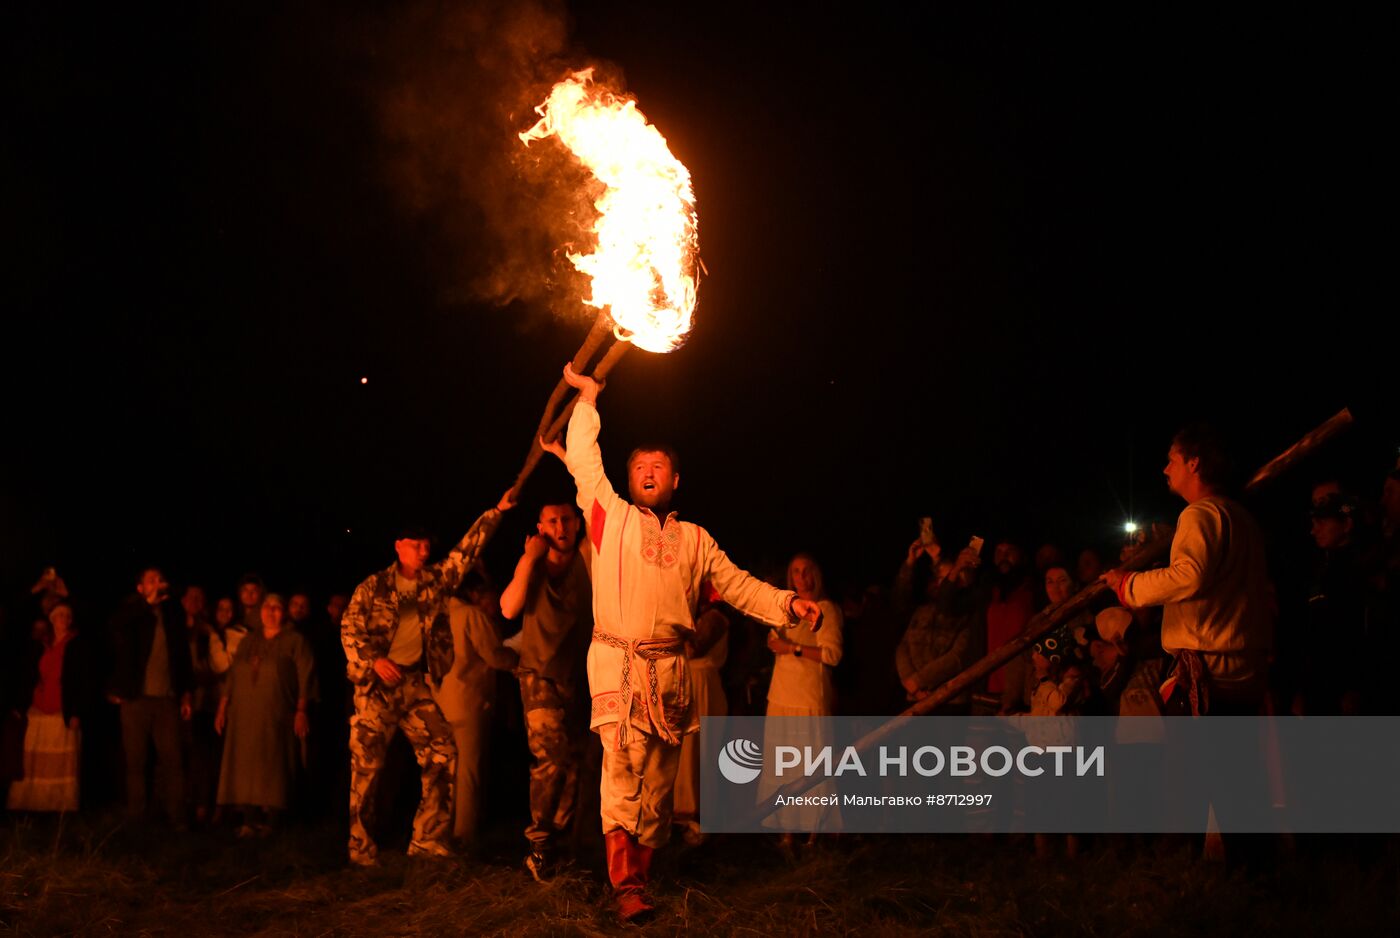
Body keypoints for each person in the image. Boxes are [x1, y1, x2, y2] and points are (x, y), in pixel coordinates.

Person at [547, 363, 824, 922]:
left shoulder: (697, 540)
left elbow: (739, 586)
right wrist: (590, 399)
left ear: (676, 481)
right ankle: (625, 886)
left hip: (670, 675)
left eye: (660, 466)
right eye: (641, 466)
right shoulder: (609, 516)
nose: (649, 471)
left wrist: (787, 605)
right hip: (617, 667)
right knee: (622, 772)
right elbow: (583, 458)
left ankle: (641, 876)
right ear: (629, 480)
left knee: (660, 785)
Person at [341, 490, 515, 867]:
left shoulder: (436, 580)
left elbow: (465, 552)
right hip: (376, 690)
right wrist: (373, 660)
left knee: (443, 750)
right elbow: (349, 629)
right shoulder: (374, 588)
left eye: (426, 546)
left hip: (414, 684)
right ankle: (361, 847)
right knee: (367, 767)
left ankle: (428, 839)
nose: (423, 551)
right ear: (399, 546)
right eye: (416, 545)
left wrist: (496, 512)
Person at [498, 498, 594, 880]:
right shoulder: (533, 567)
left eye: (567, 519)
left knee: (575, 763)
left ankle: (557, 842)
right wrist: (527, 560)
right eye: (552, 521)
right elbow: (508, 609)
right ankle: (539, 843)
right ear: (541, 528)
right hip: (538, 675)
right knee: (551, 756)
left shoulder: (588, 557)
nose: (561, 527)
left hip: (579, 676)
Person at [214, 594, 316, 836]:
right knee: (246, 761)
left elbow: (306, 675)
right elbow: (233, 675)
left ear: (284, 612)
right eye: (267, 607)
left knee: (274, 762)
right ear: (260, 612)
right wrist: (222, 707)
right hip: (244, 714)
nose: (271, 612)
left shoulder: (295, 641)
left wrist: (301, 710)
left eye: (277, 607)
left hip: (276, 713)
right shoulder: (249, 641)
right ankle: (249, 818)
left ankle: (273, 818)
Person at [763, 553, 844, 847]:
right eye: (796, 571)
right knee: (782, 765)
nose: (802, 576)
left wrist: (792, 648)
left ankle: (814, 832)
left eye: (807, 570)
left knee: (811, 764)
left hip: (809, 698)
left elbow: (832, 655)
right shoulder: (787, 609)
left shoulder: (827, 610)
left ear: (816, 574)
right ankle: (785, 829)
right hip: (782, 696)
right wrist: (777, 645)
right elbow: (774, 640)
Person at [433, 569, 518, 846]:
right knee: (469, 771)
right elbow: (493, 655)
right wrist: (518, 657)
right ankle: (465, 836)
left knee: (444, 771)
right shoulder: (471, 615)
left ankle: (437, 830)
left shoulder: (438, 614)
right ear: (474, 593)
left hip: (439, 701)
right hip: (469, 700)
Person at [107, 567, 194, 826]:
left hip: (166, 700)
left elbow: (183, 657)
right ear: (140, 588)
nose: (158, 584)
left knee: (173, 761)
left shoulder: (173, 613)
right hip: (135, 699)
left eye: (160, 579)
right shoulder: (131, 611)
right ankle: (137, 816)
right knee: (136, 761)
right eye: (151, 580)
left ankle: (177, 817)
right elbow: (114, 628)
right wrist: (146, 605)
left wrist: (186, 694)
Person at [6, 600, 97, 812]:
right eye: (59, 615)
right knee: (35, 759)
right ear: (52, 619)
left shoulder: (78, 644)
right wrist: (21, 703)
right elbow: (29, 674)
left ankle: (58, 804)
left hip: (63, 708)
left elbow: (85, 680)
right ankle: (32, 803)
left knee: (60, 760)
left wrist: (77, 711)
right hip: (39, 707)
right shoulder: (42, 644)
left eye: (67, 615)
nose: (63, 619)